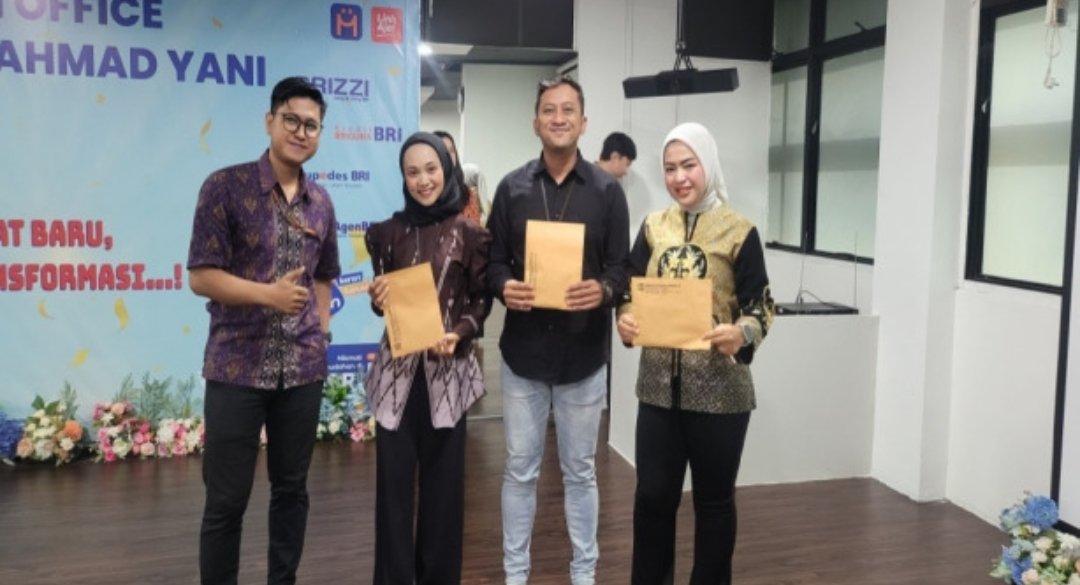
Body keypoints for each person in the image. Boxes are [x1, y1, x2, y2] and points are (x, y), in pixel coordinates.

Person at [186, 76, 341, 585]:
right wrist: (267, 295)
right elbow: (201, 276)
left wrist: (320, 333)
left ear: (319, 134)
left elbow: (324, 275)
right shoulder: (224, 187)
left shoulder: (321, 202)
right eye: (291, 119)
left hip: (302, 371)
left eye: (311, 125)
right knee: (225, 501)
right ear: (270, 121)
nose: (300, 131)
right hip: (236, 366)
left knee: (292, 491)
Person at [615, 122, 774, 585]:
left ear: (708, 164)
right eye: (670, 168)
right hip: (657, 392)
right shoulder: (653, 227)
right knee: (651, 500)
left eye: (689, 165)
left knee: (715, 504)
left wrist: (742, 333)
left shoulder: (739, 232)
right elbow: (628, 290)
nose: (679, 177)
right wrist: (625, 317)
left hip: (721, 394)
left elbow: (762, 306)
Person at [487, 76, 630, 585]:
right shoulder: (511, 188)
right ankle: (515, 574)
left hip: (583, 356)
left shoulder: (608, 192)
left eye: (569, 110)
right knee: (519, 470)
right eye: (549, 110)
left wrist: (604, 290)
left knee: (581, 472)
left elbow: (621, 268)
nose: (559, 118)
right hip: (523, 355)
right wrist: (504, 286)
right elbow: (493, 262)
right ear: (536, 123)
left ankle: (584, 574)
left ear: (584, 122)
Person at [364, 132, 491, 585]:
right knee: (393, 493)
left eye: (431, 169)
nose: (423, 180)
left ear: (446, 169)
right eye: (413, 172)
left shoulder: (471, 233)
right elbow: (384, 303)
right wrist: (378, 299)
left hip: (448, 375)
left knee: (444, 494)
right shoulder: (385, 233)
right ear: (403, 177)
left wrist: (460, 332)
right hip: (396, 379)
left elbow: (481, 300)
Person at [433, 129, 481, 224]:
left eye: (452, 150)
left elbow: (474, 228)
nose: (449, 155)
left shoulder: (468, 195)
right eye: (443, 150)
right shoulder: (426, 192)